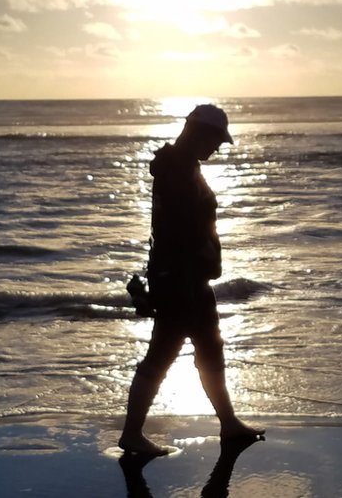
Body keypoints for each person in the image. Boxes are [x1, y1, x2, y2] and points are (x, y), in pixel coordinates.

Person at [118, 104, 264, 456]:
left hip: (187, 278)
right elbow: (177, 232)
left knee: (208, 350)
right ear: (197, 132)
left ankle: (228, 424)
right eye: (215, 140)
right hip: (181, 281)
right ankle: (132, 434)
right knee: (163, 356)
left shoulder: (181, 166)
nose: (217, 147)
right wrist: (180, 274)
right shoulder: (177, 170)